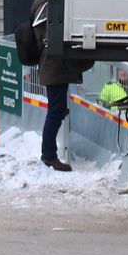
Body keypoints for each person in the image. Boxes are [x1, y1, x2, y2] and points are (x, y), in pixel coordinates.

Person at [38, 41, 86, 173]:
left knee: (57, 112)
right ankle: (49, 156)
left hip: (55, 72)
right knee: (55, 113)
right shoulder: (52, 36)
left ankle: (49, 154)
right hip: (55, 72)